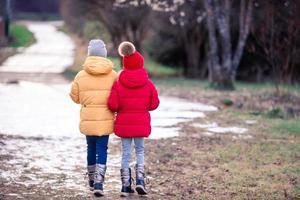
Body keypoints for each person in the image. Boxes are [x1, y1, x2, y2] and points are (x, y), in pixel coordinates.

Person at [108, 41, 160, 197]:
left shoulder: (118, 83)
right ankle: (140, 181)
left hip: (124, 125)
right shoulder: (148, 84)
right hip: (141, 125)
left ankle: (125, 186)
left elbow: (112, 105)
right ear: (140, 64)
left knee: (125, 153)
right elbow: (154, 104)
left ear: (125, 63)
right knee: (140, 152)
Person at [69, 39, 117, 197]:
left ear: (89, 54)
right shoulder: (113, 75)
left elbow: (75, 98)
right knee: (102, 149)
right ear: (104, 54)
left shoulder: (80, 75)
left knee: (90, 148)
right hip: (106, 119)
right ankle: (99, 183)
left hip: (88, 119)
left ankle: (91, 181)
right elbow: (117, 98)